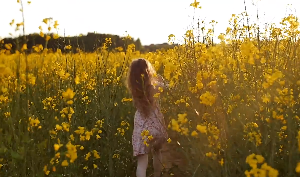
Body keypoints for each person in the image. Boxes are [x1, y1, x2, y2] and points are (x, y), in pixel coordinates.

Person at [126, 58, 168, 177]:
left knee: (141, 164)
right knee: (157, 152)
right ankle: (157, 175)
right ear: (148, 71)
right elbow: (169, 88)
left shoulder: (134, 88)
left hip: (142, 129)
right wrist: (162, 80)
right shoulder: (154, 86)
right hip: (156, 126)